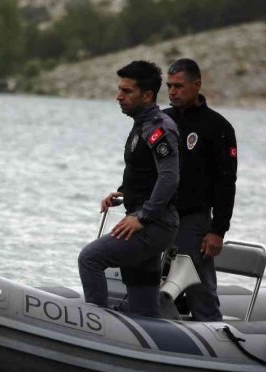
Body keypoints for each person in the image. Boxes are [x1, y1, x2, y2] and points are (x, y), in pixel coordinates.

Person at [78, 60, 180, 317]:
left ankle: (95, 326)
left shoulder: (158, 128)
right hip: (146, 220)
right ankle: (154, 345)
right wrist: (124, 193)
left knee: (90, 258)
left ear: (147, 95)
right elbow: (148, 172)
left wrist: (142, 217)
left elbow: (169, 178)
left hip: (152, 225)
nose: (118, 96)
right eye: (119, 89)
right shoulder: (142, 124)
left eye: (126, 91)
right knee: (143, 299)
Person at [163, 58, 238, 321]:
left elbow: (226, 182)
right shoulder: (162, 120)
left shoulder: (218, 128)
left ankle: (212, 331)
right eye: (169, 86)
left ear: (197, 85)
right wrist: (123, 191)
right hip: (159, 216)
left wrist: (218, 230)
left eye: (179, 86)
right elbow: (144, 167)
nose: (172, 92)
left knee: (198, 287)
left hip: (193, 220)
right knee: (150, 278)